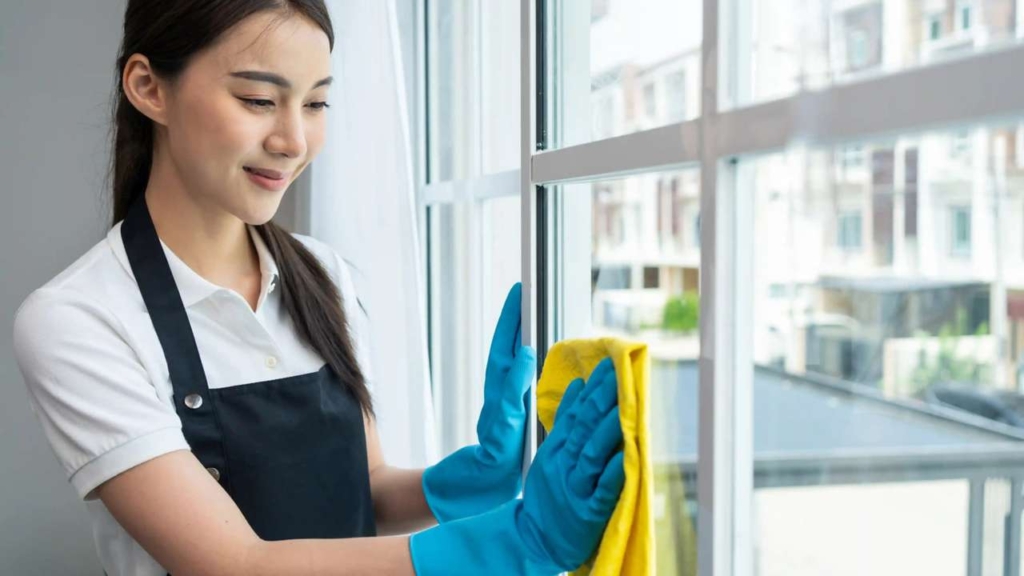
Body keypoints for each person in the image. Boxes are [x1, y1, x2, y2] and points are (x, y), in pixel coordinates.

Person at [11, 1, 625, 575]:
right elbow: (234, 563)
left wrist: (469, 479)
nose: (294, 142)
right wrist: (516, 542)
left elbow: (367, 488)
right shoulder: (79, 319)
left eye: (316, 103)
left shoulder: (323, 274)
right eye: (258, 100)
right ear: (149, 87)